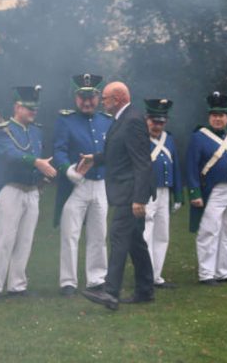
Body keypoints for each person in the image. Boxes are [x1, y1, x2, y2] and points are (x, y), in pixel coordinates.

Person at [80, 81, 155, 310]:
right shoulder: (122, 119)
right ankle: (145, 290)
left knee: (118, 237)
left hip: (130, 192)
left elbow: (142, 162)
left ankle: (110, 292)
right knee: (135, 242)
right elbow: (119, 152)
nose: (102, 101)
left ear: (119, 98)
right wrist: (96, 158)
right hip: (125, 190)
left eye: (105, 98)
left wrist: (139, 199)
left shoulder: (132, 121)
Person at [0, 85, 56, 299]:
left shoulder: (36, 130)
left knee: (25, 240)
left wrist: (41, 175)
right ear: (17, 107)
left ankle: (17, 285)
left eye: (35, 108)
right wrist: (36, 163)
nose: (33, 112)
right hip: (11, 189)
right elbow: (9, 154)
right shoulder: (4, 130)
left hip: (31, 190)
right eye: (29, 108)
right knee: (4, 239)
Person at [53, 74, 112, 297]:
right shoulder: (65, 120)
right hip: (76, 186)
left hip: (100, 183)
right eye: (82, 97)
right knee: (70, 234)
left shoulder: (106, 121)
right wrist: (69, 170)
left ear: (98, 97)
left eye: (92, 97)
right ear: (75, 98)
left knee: (99, 233)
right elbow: (58, 150)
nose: (87, 102)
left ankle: (97, 279)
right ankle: (68, 281)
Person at [186, 92, 227, 286]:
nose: (217, 119)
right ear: (209, 117)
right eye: (214, 115)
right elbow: (191, 166)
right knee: (209, 232)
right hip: (211, 191)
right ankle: (206, 274)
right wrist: (195, 192)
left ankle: (223, 272)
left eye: (221, 115)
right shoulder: (199, 137)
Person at [142, 98, 182, 289]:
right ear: (146, 119)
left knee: (162, 234)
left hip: (164, 191)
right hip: (146, 192)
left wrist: (178, 195)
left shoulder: (169, 139)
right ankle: (146, 274)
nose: (157, 125)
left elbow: (175, 167)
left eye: (161, 122)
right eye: (153, 121)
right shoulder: (140, 139)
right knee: (146, 233)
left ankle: (157, 275)